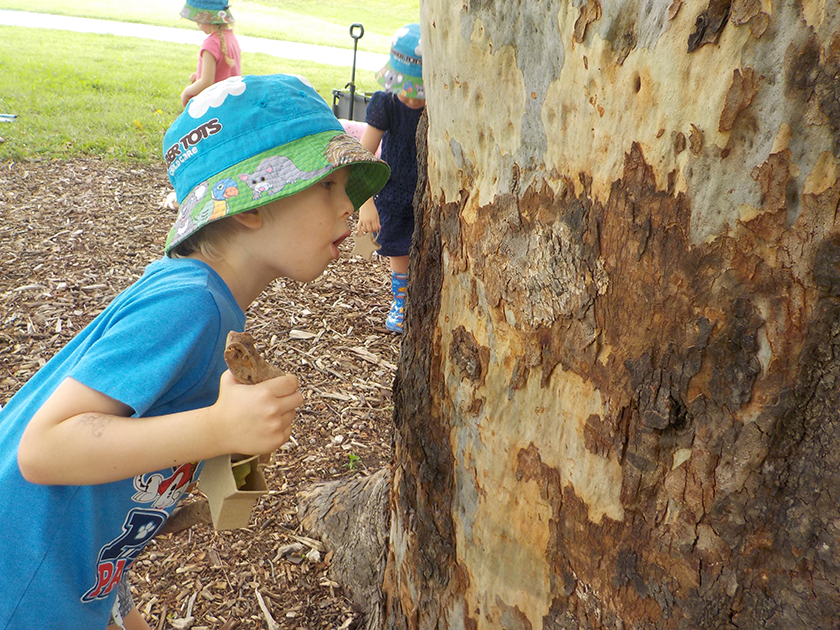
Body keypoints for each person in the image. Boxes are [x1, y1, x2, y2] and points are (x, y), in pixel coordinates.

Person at [0, 73, 389, 630]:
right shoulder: (189, 307)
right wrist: (220, 429)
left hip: (64, 577)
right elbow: (43, 450)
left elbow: (108, 495)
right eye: (330, 185)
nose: (351, 208)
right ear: (252, 204)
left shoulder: (208, 308)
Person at [356, 23, 424, 334]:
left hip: (430, 192)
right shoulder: (386, 103)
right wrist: (365, 201)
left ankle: (419, 298)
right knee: (398, 247)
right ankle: (401, 300)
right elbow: (363, 156)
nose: (412, 100)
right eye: (407, 92)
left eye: (419, 93)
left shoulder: (441, 105)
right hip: (395, 191)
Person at [179, 0, 242, 107]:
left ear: (205, 19)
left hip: (212, 104)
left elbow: (206, 82)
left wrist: (187, 92)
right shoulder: (231, 39)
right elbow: (224, 70)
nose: (197, 24)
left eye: (197, 20)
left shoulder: (211, 44)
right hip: (229, 103)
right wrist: (199, 75)